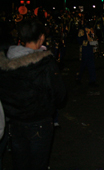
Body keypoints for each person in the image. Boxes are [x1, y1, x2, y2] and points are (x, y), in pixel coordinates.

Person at [0, 19, 66, 170]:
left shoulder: (6, 59)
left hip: (15, 122)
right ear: (41, 37)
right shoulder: (45, 62)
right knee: (39, 163)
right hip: (40, 122)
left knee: (20, 162)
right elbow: (60, 95)